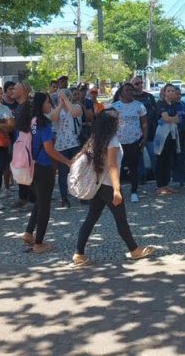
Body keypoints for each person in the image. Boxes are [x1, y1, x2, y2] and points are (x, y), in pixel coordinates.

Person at [72, 109, 155, 266]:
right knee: (120, 219)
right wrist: (117, 189)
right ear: (113, 123)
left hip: (98, 185)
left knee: (91, 218)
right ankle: (134, 250)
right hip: (108, 185)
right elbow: (112, 166)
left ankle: (79, 253)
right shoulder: (113, 141)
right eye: (119, 119)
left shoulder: (96, 139)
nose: (121, 122)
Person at [19, 92, 72, 253]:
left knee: (40, 201)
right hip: (43, 167)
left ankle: (29, 233)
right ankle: (39, 243)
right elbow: (49, 149)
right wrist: (67, 161)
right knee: (44, 207)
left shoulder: (30, 122)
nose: (51, 106)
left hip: (30, 166)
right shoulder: (43, 123)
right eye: (49, 102)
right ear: (42, 104)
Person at [112, 83, 148, 203]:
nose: (130, 92)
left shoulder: (139, 106)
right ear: (121, 92)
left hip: (135, 140)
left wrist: (144, 138)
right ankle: (117, 191)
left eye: (131, 90)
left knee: (133, 167)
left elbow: (144, 123)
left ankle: (134, 191)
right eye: (127, 90)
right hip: (118, 142)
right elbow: (110, 125)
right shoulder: (114, 107)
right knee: (117, 167)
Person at [50, 88, 82, 208]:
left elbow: (74, 113)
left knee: (77, 171)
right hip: (61, 145)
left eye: (64, 97)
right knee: (63, 173)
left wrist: (66, 101)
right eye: (59, 97)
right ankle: (64, 197)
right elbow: (53, 118)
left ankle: (81, 194)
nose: (61, 99)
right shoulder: (56, 110)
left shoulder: (77, 107)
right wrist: (60, 104)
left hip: (75, 143)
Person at [154, 84, 184, 195]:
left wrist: (172, 119)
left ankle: (166, 185)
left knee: (169, 160)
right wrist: (172, 119)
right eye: (169, 91)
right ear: (164, 92)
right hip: (162, 135)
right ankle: (160, 185)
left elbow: (178, 119)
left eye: (173, 91)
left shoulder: (174, 104)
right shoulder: (161, 103)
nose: (171, 93)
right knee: (161, 160)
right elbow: (166, 118)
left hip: (172, 134)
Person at [131, 76, 158, 181]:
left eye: (141, 83)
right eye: (137, 83)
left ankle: (157, 177)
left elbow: (156, 112)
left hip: (150, 132)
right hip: (136, 133)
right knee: (138, 158)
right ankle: (141, 177)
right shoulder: (130, 98)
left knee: (153, 155)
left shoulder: (149, 97)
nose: (140, 85)